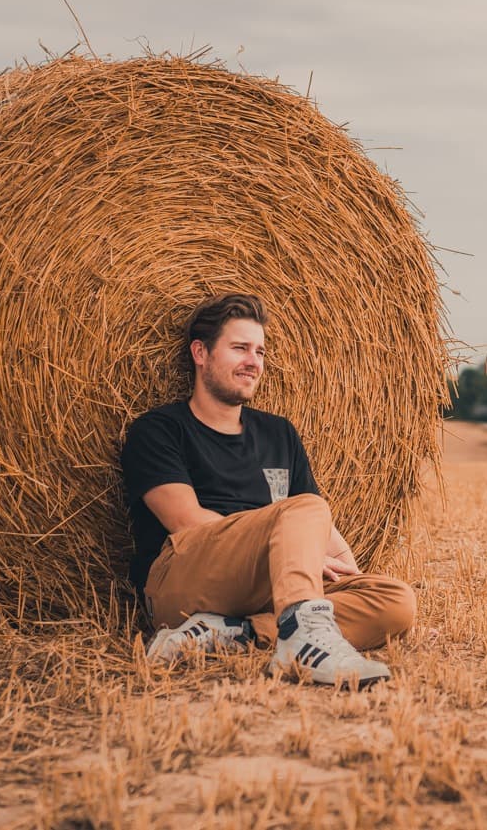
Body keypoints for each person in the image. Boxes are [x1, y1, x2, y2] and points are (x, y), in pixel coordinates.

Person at [120, 293, 415, 689]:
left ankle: (239, 633)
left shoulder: (279, 433)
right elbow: (186, 522)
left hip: (271, 588)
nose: (253, 361)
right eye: (240, 348)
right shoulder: (158, 430)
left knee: (396, 603)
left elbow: (321, 529)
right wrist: (287, 548)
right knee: (304, 508)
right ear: (200, 353)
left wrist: (353, 580)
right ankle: (305, 638)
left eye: (260, 351)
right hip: (184, 580)